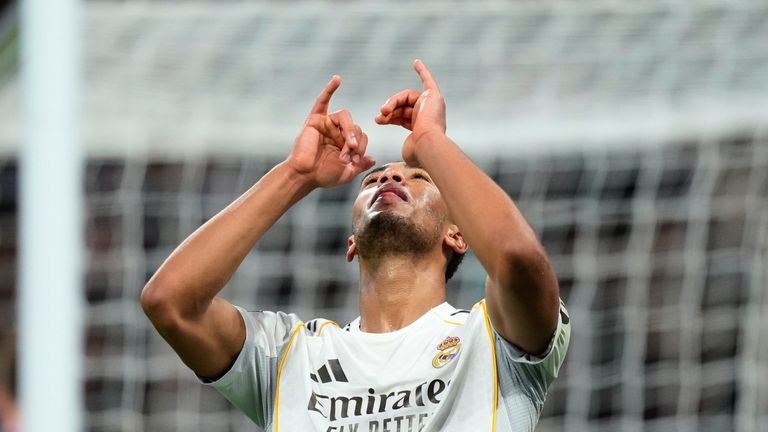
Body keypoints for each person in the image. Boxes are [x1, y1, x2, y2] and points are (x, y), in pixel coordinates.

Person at [142, 60, 570, 431]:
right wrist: (296, 174)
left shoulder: (491, 337)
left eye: (417, 177)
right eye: (372, 180)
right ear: (352, 243)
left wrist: (430, 142)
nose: (390, 177)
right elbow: (170, 301)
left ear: (457, 235)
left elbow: (517, 259)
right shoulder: (290, 356)